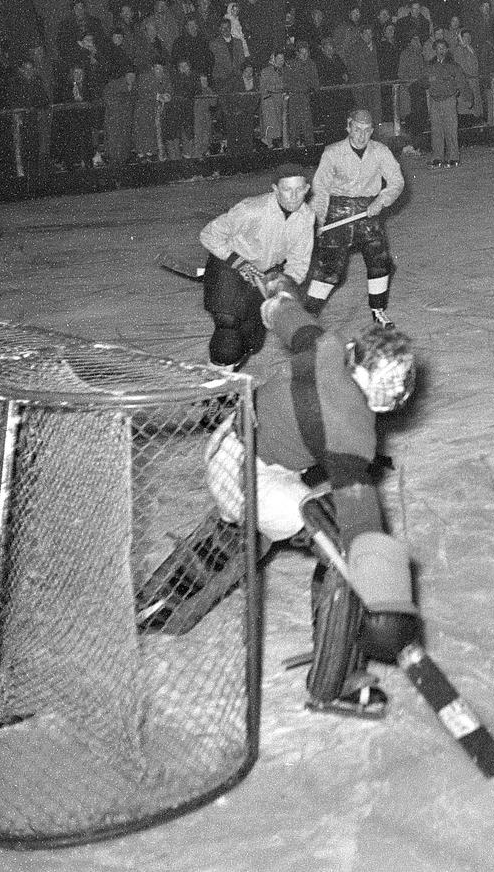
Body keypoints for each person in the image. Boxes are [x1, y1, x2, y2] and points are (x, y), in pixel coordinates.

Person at [140, 281, 419, 717]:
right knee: (342, 552)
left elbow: (283, 312)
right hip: (250, 474)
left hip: (231, 442)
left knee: (260, 517)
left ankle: (165, 602)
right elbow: (361, 520)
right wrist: (385, 598)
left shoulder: (327, 345)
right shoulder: (350, 428)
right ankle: (335, 681)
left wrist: (278, 291)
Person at [198, 162, 315, 367]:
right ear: (275, 189)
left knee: (250, 342)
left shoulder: (306, 217)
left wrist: (281, 288)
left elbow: (298, 263)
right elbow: (209, 234)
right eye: (287, 190)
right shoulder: (252, 210)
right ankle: (214, 393)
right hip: (229, 267)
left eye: (299, 190)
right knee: (228, 336)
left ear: (307, 189)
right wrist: (238, 262)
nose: (294, 196)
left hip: (265, 273)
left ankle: (223, 371)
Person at [306, 107, 405, 324]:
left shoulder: (380, 151)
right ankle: (308, 314)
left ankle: (378, 311)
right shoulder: (332, 153)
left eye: (367, 131)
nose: (361, 136)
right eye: (357, 129)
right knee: (330, 270)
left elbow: (397, 181)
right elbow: (321, 189)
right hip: (338, 212)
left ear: (372, 131)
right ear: (348, 126)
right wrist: (318, 220)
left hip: (369, 212)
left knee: (380, 262)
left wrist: (381, 200)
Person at [423, 36, 466, 168]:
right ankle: (437, 157)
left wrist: (467, 97)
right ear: (435, 50)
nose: (440, 50)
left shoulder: (453, 66)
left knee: (451, 129)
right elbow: (422, 81)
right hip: (435, 100)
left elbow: (461, 82)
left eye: (443, 48)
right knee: (436, 130)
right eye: (438, 48)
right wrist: (428, 81)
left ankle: (454, 157)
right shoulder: (430, 65)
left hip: (449, 100)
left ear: (447, 50)